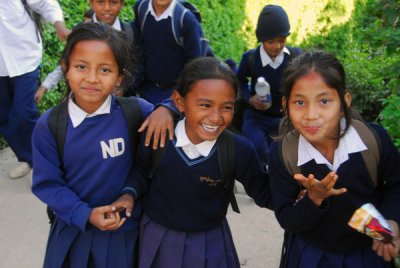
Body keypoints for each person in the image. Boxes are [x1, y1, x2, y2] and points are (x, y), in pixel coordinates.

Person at [31, 22, 175, 268]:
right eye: (81, 67)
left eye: (105, 70)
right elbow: (48, 185)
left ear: (120, 77)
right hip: (74, 233)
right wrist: (85, 214)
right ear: (65, 68)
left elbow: (185, 110)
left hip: (125, 232)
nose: (92, 78)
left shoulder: (135, 112)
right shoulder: (50, 125)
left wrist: (167, 109)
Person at [131, 57, 272, 267]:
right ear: (179, 102)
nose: (215, 118)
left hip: (210, 243)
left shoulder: (238, 149)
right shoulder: (158, 136)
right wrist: (128, 193)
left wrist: (300, 193)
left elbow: (263, 192)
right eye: (205, 105)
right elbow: (140, 172)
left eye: (227, 107)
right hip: (157, 238)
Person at [268, 51, 400, 268]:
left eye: (324, 101)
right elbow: (287, 219)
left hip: (366, 254)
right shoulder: (283, 154)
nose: (311, 114)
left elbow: (396, 185)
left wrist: (393, 221)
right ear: (285, 105)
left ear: (344, 102)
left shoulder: (373, 141)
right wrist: (313, 199)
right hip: (311, 255)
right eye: (299, 102)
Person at [0, 0, 69, 179]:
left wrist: (59, 25)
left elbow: (45, 3)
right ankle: (27, 158)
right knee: (3, 116)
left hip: (24, 58)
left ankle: (45, 163)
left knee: (24, 113)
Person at [35, 0, 144, 102]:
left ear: (122, 4)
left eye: (113, 2)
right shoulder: (80, 32)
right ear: (91, 3)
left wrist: (123, 89)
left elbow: (139, 67)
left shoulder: (131, 32)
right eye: (100, 2)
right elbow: (66, 64)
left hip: (121, 103)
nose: (107, 8)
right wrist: (45, 86)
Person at [236, 4, 301, 170]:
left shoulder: (295, 57)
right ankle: (262, 180)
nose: (277, 46)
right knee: (256, 146)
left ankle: (278, 180)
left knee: (283, 152)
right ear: (261, 40)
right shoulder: (250, 59)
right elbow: (239, 83)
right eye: (270, 41)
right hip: (256, 117)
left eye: (282, 40)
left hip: (285, 118)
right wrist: (250, 99)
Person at [133, 0, 208, 104]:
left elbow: (194, 65)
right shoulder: (141, 8)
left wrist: (175, 101)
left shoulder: (186, 20)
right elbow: (138, 50)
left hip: (174, 93)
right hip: (146, 90)